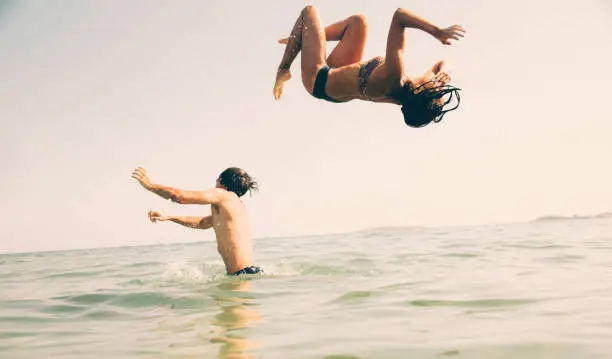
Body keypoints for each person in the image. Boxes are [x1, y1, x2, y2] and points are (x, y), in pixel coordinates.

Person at [273, 6, 465, 128]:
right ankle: (304, 40)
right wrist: (445, 72)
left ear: (422, 92)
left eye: (438, 93)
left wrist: (437, 31)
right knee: (359, 22)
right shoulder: (416, 87)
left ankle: (283, 68)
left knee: (309, 12)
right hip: (338, 77)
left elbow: (399, 16)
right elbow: (442, 63)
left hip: (318, 80)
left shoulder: (394, 77)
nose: (439, 88)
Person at [131, 166, 261, 276]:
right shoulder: (235, 206)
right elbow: (203, 223)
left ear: (220, 181)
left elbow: (179, 196)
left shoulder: (222, 194)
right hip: (247, 272)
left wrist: (149, 185)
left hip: (241, 274)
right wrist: (170, 217)